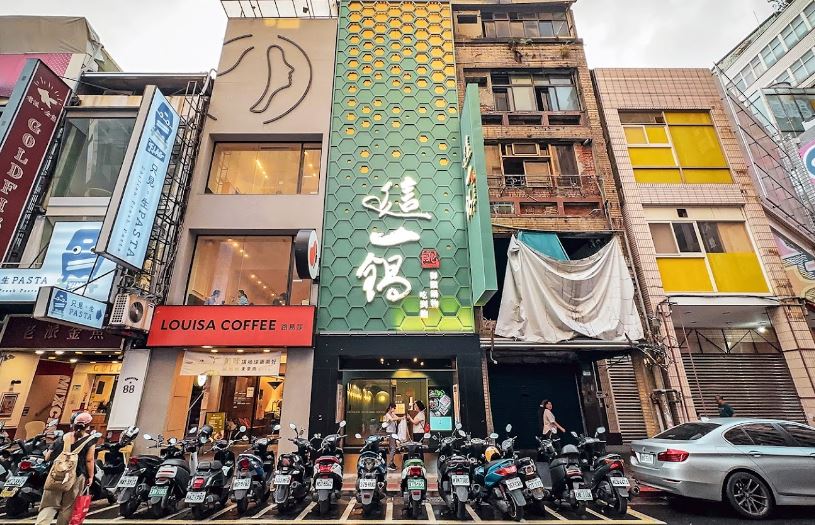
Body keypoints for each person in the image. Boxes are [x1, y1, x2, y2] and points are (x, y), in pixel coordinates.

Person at [35, 412, 96, 525]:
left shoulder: (62, 438)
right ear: (88, 426)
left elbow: (48, 457)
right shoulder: (90, 440)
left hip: (56, 475)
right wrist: (91, 476)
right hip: (76, 476)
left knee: (49, 505)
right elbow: (89, 460)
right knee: (68, 507)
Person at [383, 403, 402, 471]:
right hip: (390, 432)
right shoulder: (387, 415)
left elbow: (396, 418)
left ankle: (392, 463)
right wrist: (400, 418)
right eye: (394, 408)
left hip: (393, 432)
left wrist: (401, 418)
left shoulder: (392, 414)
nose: (394, 409)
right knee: (393, 448)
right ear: (390, 407)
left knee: (393, 448)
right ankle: (390, 464)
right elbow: (392, 419)